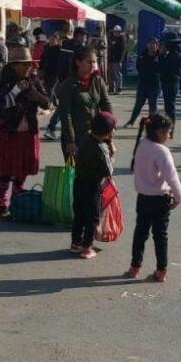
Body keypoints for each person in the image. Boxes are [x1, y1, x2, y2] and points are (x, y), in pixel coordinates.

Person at [0, 46, 50, 219]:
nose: (28, 67)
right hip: (7, 132)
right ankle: (2, 205)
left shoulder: (33, 80)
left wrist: (36, 95)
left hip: (27, 131)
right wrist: (16, 91)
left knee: (22, 168)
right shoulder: (3, 82)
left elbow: (47, 102)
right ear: (14, 65)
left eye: (29, 64)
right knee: (4, 170)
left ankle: (17, 199)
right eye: (24, 64)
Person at [127, 114, 181, 283]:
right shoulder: (161, 151)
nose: (169, 135)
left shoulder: (142, 144)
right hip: (160, 199)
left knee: (140, 233)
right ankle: (161, 270)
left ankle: (135, 266)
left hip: (143, 197)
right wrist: (179, 197)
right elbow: (171, 176)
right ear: (160, 132)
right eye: (168, 132)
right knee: (160, 236)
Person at [70, 111, 116, 260]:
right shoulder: (101, 148)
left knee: (79, 214)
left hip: (79, 182)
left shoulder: (86, 137)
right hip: (93, 186)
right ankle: (87, 247)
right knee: (93, 217)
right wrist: (112, 154)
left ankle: (76, 243)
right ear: (108, 132)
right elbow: (108, 170)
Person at [55, 45, 113, 159]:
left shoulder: (98, 81)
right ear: (78, 62)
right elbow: (65, 115)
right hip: (76, 139)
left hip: (96, 137)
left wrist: (109, 132)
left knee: (98, 169)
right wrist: (70, 141)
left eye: (94, 62)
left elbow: (106, 106)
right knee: (76, 169)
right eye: (89, 62)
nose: (93, 65)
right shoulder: (68, 85)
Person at [44, 27, 87, 140]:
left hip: (63, 79)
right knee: (66, 105)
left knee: (66, 105)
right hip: (73, 80)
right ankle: (52, 128)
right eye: (84, 36)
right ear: (79, 36)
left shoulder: (65, 44)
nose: (85, 39)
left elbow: (61, 62)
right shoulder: (79, 48)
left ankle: (55, 128)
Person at [126, 37, 162, 128]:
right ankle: (131, 122)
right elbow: (138, 66)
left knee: (152, 106)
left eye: (154, 43)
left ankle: (153, 125)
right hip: (143, 84)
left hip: (154, 85)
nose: (151, 45)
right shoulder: (142, 55)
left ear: (157, 46)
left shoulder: (160, 57)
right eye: (150, 43)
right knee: (138, 104)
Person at [159, 33, 181, 129]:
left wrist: (161, 55)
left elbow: (163, 66)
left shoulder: (175, 54)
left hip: (171, 81)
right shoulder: (178, 53)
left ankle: (170, 129)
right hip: (171, 81)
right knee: (169, 106)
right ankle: (169, 128)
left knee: (169, 107)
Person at [107, 25, 127, 95]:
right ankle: (111, 88)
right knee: (110, 74)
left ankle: (118, 88)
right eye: (114, 31)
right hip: (110, 59)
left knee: (117, 74)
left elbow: (122, 50)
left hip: (117, 60)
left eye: (117, 32)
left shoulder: (121, 40)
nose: (115, 33)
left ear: (119, 32)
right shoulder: (111, 38)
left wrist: (121, 59)